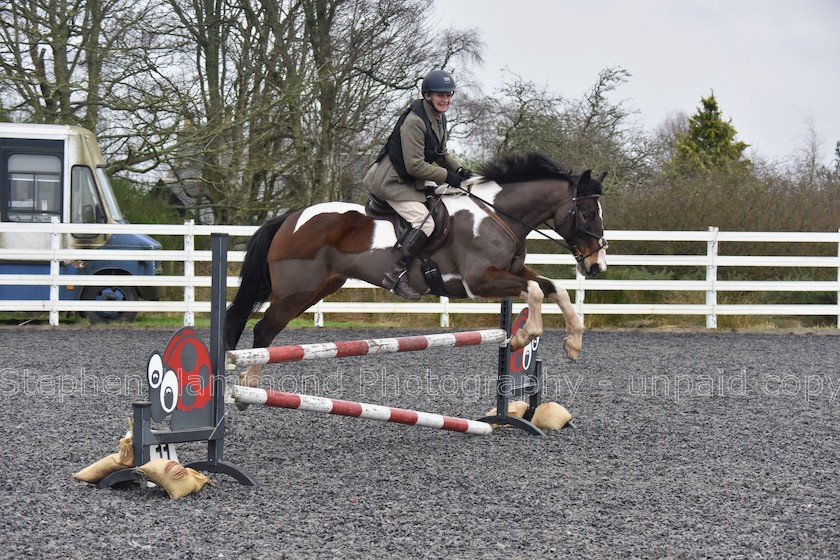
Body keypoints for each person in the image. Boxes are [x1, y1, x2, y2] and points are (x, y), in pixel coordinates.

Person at [363, 69, 471, 300]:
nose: (446, 99)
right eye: (440, 95)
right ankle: (395, 274)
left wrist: (459, 169)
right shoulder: (414, 122)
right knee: (426, 224)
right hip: (392, 181)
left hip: (411, 179)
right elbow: (414, 165)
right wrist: (446, 176)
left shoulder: (439, 118)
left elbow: (440, 153)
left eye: (449, 95)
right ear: (427, 95)